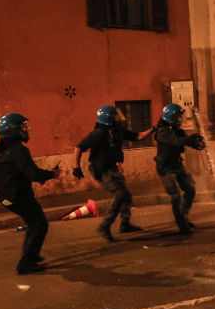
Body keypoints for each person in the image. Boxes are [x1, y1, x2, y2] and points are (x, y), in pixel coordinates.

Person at [0, 113, 61, 275]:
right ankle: (26, 263)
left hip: (7, 197)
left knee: (33, 223)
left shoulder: (2, 151)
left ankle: (31, 255)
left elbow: (15, 171)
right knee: (40, 224)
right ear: (13, 130)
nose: (25, 130)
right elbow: (33, 173)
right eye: (22, 127)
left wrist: (31, 176)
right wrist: (51, 175)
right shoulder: (19, 150)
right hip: (19, 197)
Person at [74, 105, 153, 242]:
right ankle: (104, 225)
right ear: (109, 118)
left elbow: (138, 136)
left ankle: (125, 224)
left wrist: (153, 129)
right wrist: (76, 167)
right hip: (101, 169)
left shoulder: (117, 131)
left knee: (126, 195)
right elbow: (79, 147)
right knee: (120, 194)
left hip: (112, 168)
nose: (119, 118)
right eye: (116, 116)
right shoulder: (98, 133)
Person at [153, 103, 205, 234]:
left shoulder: (176, 129)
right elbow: (178, 142)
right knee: (176, 196)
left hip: (177, 165)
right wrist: (194, 135)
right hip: (166, 168)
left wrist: (198, 143)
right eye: (178, 116)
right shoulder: (163, 131)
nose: (181, 118)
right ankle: (182, 225)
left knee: (190, 190)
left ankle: (184, 215)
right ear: (171, 117)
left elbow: (187, 141)